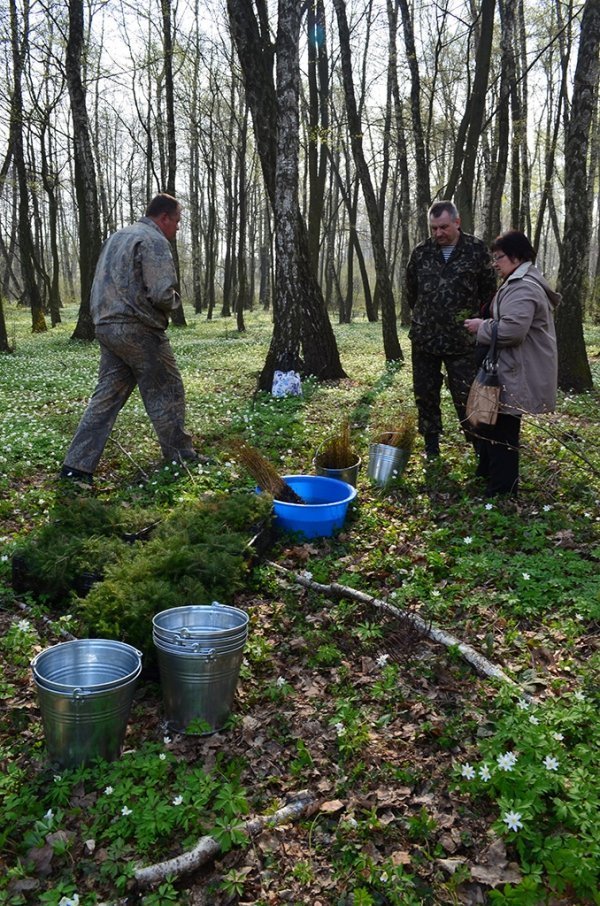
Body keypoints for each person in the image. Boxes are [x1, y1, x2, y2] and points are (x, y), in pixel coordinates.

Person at [60, 194, 197, 485]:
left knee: (106, 397)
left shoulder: (117, 237)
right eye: (177, 221)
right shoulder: (154, 240)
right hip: (139, 329)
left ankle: (76, 467)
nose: (177, 227)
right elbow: (161, 293)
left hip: (107, 326)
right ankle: (180, 456)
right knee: (168, 389)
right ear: (164, 218)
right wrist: (175, 301)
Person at [464, 230, 559, 497]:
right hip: (510, 366)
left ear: (516, 256)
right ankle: (490, 476)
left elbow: (510, 331)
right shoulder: (519, 280)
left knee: (503, 432)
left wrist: (482, 326)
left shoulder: (523, 286)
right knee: (492, 424)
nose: (495, 263)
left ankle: (502, 490)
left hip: (514, 369)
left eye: (499, 257)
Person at [406, 200, 496, 457]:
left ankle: (480, 447)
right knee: (425, 394)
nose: (438, 233)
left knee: (468, 395)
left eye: (443, 227)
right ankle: (431, 446)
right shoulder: (421, 252)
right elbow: (412, 292)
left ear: (457, 222)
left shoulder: (477, 251)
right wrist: (428, 317)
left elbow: (489, 295)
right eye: (433, 228)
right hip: (426, 339)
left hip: (463, 341)